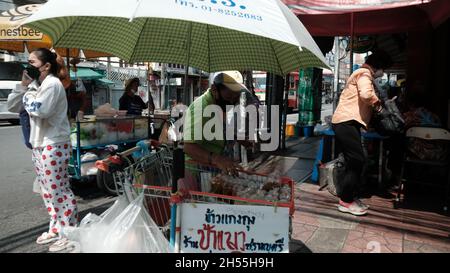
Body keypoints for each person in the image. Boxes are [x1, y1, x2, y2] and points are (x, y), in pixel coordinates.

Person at [20, 48, 79, 252]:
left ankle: (70, 230)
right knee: (47, 190)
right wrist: (28, 90)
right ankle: (56, 227)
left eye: (32, 62)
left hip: (54, 142)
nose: (28, 66)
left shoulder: (52, 84)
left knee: (58, 189)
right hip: (40, 142)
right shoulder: (39, 84)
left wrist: (27, 95)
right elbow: (30, 106)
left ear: (45, 66)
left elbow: (40, 110)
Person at [331, 50, 393, 216]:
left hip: (348, 122)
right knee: (357, 160)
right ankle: (345, 200)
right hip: (346, 122)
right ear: (378, 66)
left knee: (354, 161)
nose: (383, 73)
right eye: (384, 69)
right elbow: (366, 95)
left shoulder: (362, 74)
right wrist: (378, 105)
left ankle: (349, 196)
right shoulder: (364, 74)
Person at [183, 71, 246, 178]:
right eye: (229, 96)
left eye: (235, 97)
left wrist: (240, 139)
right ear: (214, 89)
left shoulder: (219, 105)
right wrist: (216, 159)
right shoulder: (201, 108)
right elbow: (188, 147)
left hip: (212, 170)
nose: (231, 101)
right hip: (197, 172)